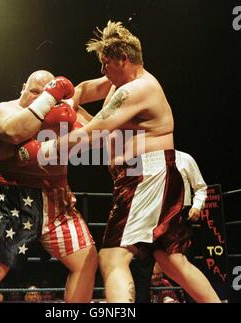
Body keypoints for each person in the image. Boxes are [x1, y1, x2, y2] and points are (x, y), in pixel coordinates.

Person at [38, 21, 221, 303]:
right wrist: (69, 105)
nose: (102, 71)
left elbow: (92, 134)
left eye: (106, 63)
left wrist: (43, 149)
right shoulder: (118, 83)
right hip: (147, 175)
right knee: (171, 259)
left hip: (144, 176)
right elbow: (85, 88)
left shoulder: (136, 89)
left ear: (124, 59)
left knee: (112, 258)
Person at [0, 70, 98, 303]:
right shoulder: (5, 110)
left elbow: (98, 133)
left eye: (46, 94)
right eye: (35, 91)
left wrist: (75, 120)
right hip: (12, 197)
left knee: (86, 261)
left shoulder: (64, 114)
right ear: (23, 88)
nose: (39, 98)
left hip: (56, 198)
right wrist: (50, 98)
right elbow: (15, 133)